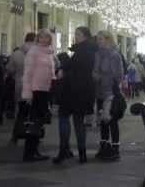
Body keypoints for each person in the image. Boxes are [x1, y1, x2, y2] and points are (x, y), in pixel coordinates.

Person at [53, 26, 97, 164]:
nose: (75, 36)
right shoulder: (90, 49)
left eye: (78, 34)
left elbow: (71, 65)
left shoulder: (83, 50)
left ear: (85, 36)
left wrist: (62, 66)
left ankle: (64, 150)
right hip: (83, 91)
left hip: (73, 91)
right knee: (79, 122)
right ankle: (82, 153)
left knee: (64, 118)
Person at [22, 29, 56, 161]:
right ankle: (29, 152)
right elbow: (27, 73)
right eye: (41, 37)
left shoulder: (49, 53)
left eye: (46, 37)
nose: (43, 39)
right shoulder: (33, 51)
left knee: (39, 122)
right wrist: (27, 93)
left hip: (45, 91)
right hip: (35, 90)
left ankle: (34, 150)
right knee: (34, 122)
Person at [93, 30, 124, 161]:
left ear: (108, 39)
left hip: (110, 92)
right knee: (103, 121)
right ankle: (104, 147)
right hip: (99, 91)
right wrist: (95, 76)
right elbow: (94, 70)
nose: (98, 41)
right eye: (98, 39)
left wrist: (105, 78)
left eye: (101, 39)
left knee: (112, 121)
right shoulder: (98, 54)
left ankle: (115, 150)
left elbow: (119, 76)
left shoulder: (114, 55)